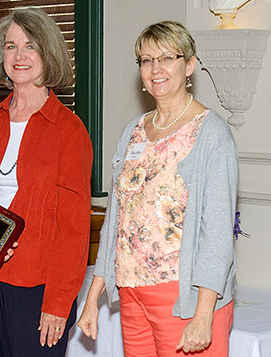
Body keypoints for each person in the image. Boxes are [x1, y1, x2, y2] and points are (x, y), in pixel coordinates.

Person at [78, 21, 238, 356]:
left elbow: (218, 233)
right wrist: (93, 297)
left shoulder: (211, 134)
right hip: (132, 291)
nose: (156, 69)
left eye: (167, 58)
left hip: (183, 297)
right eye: (146, 60)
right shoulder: (133, 131)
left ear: (190, 64)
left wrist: (204, 313)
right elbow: (116, 221)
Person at [0, 8, 93, 357]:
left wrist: (59, 302)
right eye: (11, 46)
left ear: (49, 53)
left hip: (38, 287)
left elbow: (74, 229)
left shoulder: (68, 131)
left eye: (31, 46)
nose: (20, 56)